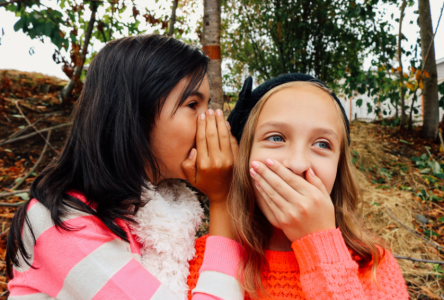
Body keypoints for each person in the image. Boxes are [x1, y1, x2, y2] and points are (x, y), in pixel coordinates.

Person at [6, 34, 243, 300]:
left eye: (208, 106)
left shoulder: (158, 212)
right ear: (134, 115)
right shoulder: (59, 222)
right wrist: (223, 201)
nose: (210, 123)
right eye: (192, 105)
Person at [187, 74, 409, 299]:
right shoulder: (195, 260)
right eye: (276, 138)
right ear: (243, 156)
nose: (297, 164)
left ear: (339, 167)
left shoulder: (374, 266)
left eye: (322, 144)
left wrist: (321, 248)